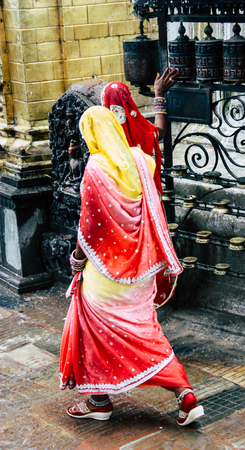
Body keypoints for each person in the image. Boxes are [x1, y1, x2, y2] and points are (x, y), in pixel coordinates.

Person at [59, 105, 204, 427]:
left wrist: (77, 258)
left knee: (93, 331)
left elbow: (89, 227)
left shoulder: (96, 168)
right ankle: (182, 394)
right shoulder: (141, 159)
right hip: (143, 267)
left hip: (105, 270)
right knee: (142, 329)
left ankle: (99, 402)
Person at [101, 67, 178, 198]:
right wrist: (159, 95)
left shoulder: (101, 133)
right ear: (128, 101)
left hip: (116, 199)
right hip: (141, 195)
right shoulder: (140, 128)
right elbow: (161, 131)